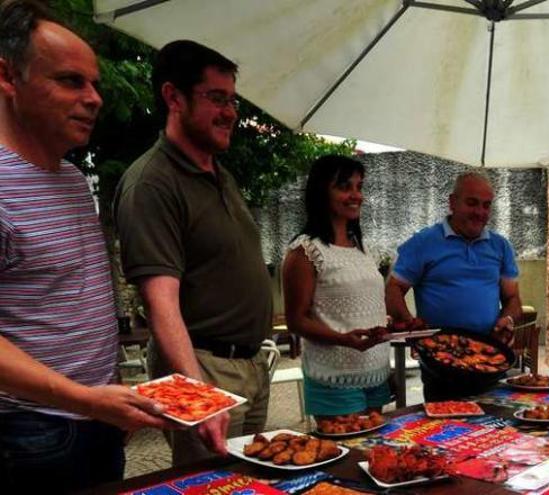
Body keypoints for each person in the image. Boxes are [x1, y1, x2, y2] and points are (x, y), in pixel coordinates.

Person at [0, 1, 168, 490]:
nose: (94, 98)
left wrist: (102, 400)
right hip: (30, 433)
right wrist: (81, 398)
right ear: (8, 78)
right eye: (71, 81)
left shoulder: (73, 178)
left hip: (99, 420)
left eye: (94, 82)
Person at [114, 40, 273, 466]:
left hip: (252, 363)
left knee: (251, 482)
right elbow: (160, 302)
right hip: (203, 366)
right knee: (210, 483)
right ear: (173, 97)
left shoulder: (221, 175)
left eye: (232, 100)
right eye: (216, 98)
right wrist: (200, 396)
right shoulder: (152, 182)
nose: (231, 112)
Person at [386, 172, 522, 400]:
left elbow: (512, 299)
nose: (480, 212)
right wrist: (412, 329)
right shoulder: (423, 243)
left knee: (493, 429)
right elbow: (393, 290)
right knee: (443, 430)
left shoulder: (501, 247)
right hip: (440, 363)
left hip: (488, 357)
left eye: (486, 206)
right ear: (452, 202)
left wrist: (507, 320)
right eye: (472, 203)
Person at [282, 155, 390, 419]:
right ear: (321, 192)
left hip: (377, 376)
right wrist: (344, 340)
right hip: (335, 380)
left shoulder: (365, 249)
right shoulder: (306, 251)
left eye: (359, 186)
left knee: (373, 455)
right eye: (344, 186)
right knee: (345, 457)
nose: (356, 195)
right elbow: (296, 321)